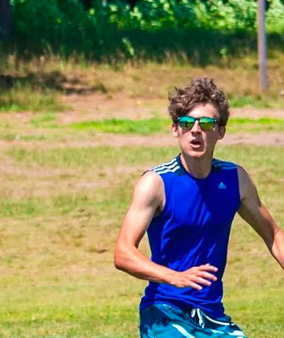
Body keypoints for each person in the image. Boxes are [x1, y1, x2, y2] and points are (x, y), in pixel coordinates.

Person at [114, 78, 284, 338]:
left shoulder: (235, 179)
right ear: (175, 129)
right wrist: (174, 277)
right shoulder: (157, 183)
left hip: (212, 314)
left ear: (221, 131)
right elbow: (123, 253)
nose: (195, 130)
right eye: (186, 123)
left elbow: (273, 235)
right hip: (164, 312)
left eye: (206, 123)